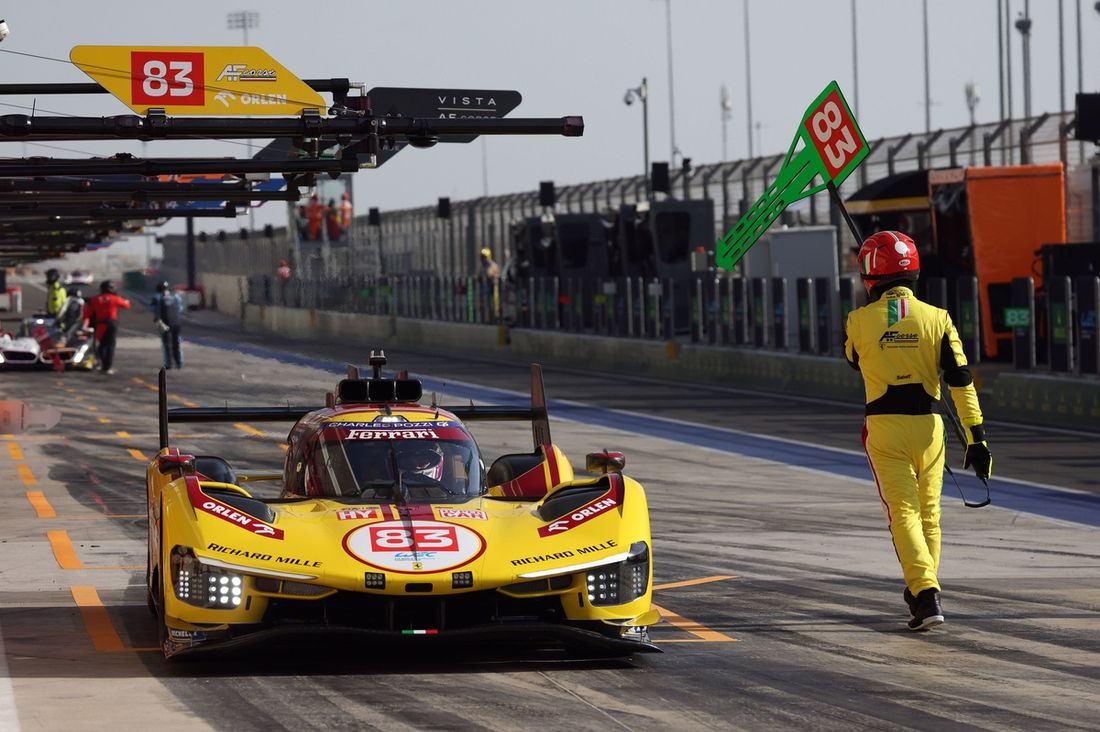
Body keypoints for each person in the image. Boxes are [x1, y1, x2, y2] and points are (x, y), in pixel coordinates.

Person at [844, 230, 992, 632]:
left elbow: (853, 360)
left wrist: (887, 332)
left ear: (869, 276)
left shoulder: (858, 321)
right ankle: (922, 593)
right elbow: (961, 380)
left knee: (903, 514)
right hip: (931, 429)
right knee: (930, 514)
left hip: (885, 428)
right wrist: (977, 438)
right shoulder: (939, 319)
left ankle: (925, 593)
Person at [86, 280, 131, 374]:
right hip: (111, 324)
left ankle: (101, 364)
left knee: (100, 346)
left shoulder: (95, 299)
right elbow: (127, 305)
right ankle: (107, 367)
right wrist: (125, 299)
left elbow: (88, 312)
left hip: (100, 324)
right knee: (110, 346)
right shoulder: (114, 298)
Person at [151, 281, 184, 369]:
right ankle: (179, 362)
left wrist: (157, 318)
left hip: (164, 322)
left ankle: (168, 364)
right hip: (176, 322)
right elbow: (180, 308)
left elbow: (153, 309)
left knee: (166, 344)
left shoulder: (157, 297)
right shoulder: (175, 296)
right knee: (177, 342)